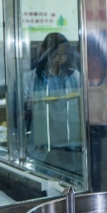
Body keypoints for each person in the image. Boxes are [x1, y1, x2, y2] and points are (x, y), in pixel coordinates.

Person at [24, 33, 83, 173]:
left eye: (64, 54)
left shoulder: (75, 76)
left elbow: (81, 107)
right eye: (56, 54)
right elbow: (25, 109)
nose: (60, 58)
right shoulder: (31, 78)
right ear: (45, 52)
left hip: (70, 141)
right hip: (44, 140)